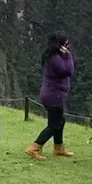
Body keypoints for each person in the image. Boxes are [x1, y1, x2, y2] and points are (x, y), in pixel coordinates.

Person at [27, 33, 76, 161]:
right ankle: (34, 147)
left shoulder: (53, 57)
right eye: (66, 44)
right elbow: (68, 71)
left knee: (60, 121)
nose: (67, 47)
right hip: (54, 95)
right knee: (54, 124)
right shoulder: (55, 59)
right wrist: (68, 56)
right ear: (60, 46)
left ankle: (58, 147)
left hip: (53, 94)